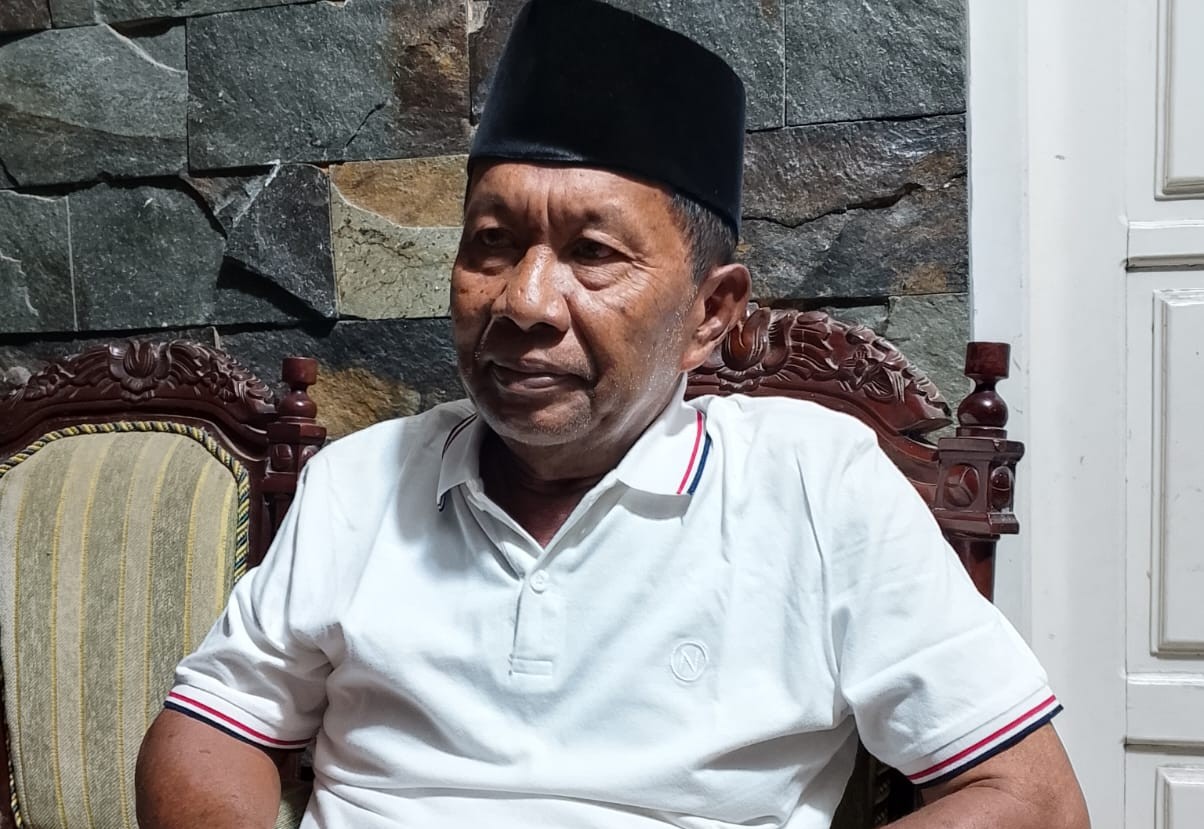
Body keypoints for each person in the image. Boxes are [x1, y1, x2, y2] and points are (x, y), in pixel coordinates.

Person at [135, 1, 1090, 827]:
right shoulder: (359, 483)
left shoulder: (816, 483)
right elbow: (207, 730)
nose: (524, 302)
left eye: (593, 253)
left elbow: (1031, 798)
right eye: (491, 242)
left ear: (711, 312)